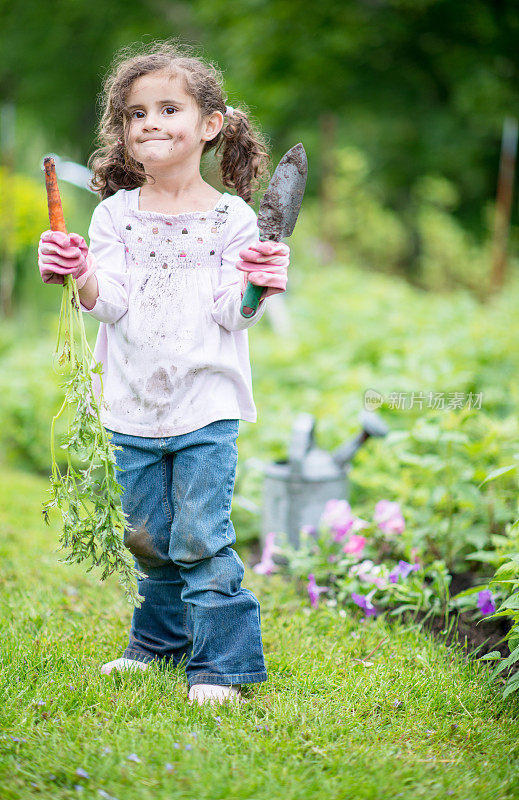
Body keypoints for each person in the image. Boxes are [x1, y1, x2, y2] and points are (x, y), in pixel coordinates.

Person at [37, 40, 290, 706]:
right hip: (129, 404)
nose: (148, 122)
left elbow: (231, 315)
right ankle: (157, 646)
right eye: (134, 112)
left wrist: (257, 288)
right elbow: (107, 303)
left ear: (209, 124)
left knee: (201, 536)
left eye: (167, 108)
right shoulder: (115, 214)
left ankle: (223, 667)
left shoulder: (232, 219)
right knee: (148, 539)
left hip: (205, 403)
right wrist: (78, 271)